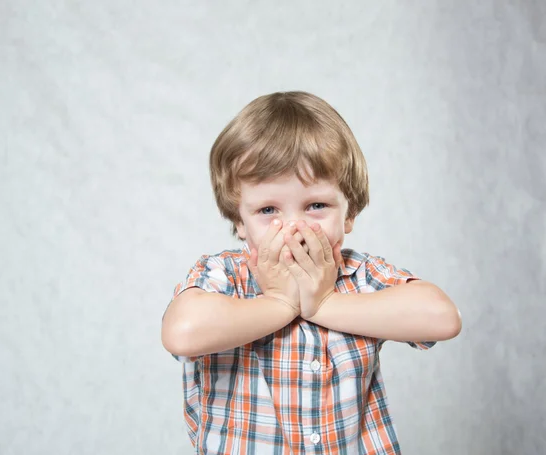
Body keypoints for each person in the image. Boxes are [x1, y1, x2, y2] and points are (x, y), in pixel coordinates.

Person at [161, 91, 462, 454]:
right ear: (239, 221)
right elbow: (182, 332)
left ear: (348, 214)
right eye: (268, 210)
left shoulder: (359, 277)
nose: (293, 227)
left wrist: (322, 303)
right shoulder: (224, 276)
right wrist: (280, 302)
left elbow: (442, 318)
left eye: (316, 205)